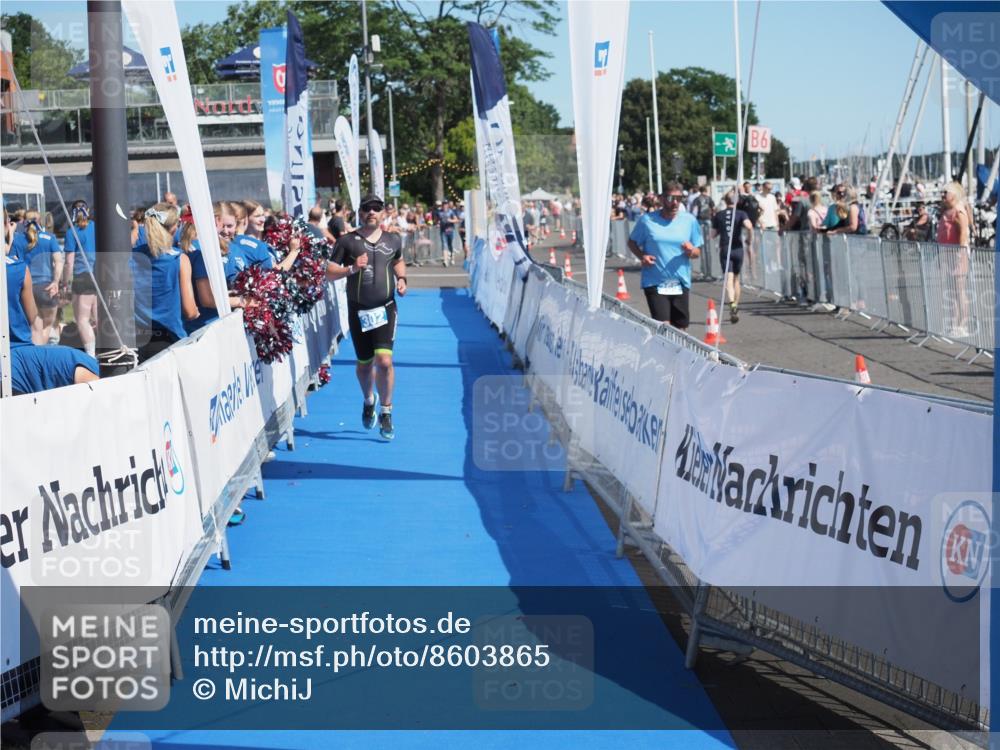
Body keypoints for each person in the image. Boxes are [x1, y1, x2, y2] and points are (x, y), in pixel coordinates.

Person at [326, 193, 407, 440]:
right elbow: (329, 271)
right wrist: (351, 268)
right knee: (364, 364)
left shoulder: (393, 239)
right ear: (360, 213)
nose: (372, 212)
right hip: (359, 310)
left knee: (384, 361)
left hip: (386, 308)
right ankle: (369, 400)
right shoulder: (347, 241)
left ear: (383, 213)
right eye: (367, 208)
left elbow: (398, 261)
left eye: (376, 208)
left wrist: (402, 278)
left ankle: (386, 411)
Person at [626, 182, 703, 331]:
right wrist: (642, 256)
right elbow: (632, 242)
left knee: (681, 329)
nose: (675, 203)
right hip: (655, 281)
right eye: (670, 198)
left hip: (680, 281)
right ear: (661, 199)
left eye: (678, 199)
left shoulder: (689, 221)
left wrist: (691, 251)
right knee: (664, 328)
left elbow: (697, 252)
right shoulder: (647, 220)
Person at [131, 203, 199, 361]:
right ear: (174, 228)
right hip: (169, 341)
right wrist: (197, 312)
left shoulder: (132, 256)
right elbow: (190, 311)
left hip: (136, 340)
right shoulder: (179, 259)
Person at [62, 200, 99, 358]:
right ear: (87, 210)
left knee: (82, 319)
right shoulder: (97, 227)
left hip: (83, 276)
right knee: (98, 318)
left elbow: (69, 262)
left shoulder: (72, 232)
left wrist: (65, 282)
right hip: (100, 274)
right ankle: (104, 352)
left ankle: (91, 356)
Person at [711, 191, 753, 324]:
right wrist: (749, 239)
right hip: (738, 248)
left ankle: (732, 304)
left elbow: (712, 235)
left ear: (725, 200)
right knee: (736, 279)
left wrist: (721, 230)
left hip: (725, 249)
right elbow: (749, 226)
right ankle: (735, 305)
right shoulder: (741, 213)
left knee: (728, 279)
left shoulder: (719, 215)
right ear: (737, 201)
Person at [23, 210, 64, 344]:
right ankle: (40, 352)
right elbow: (59, 261)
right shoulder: (49, 238)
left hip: (26, 288)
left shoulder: (20, 239)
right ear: (40, 220)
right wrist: (56, 282)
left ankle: (36, 351)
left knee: (34, 327)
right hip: (46, 286)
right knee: (46, 326)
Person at [937, 181, 971, 337]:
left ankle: (962, 325)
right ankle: (953, 324)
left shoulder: (958, 211)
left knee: (959, 291)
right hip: (947, 254)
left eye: (946, 192)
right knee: (951, 291)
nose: (943, 195)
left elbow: (963, 232)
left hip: (957, 254)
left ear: (954, 195)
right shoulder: (946, 212)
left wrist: (960, 253)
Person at [690, 186, 715, 280]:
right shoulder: (709, 198)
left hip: (700, 219)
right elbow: (713, 208)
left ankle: (703, 270)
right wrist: (712, 215)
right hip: (708, 219)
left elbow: (693, 209)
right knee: (708, 243)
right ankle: (708, 271)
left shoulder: (697, 199)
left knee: (701, 242)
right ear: (706, 191)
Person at [439, 200, 458, 266]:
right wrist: (438, 223)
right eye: (443, 204)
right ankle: (445, 260)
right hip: (443, 231)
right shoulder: (439, 212)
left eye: (446, 204)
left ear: (447, 205)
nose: (444, 205)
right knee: (444, 245)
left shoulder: (451, 212)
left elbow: (456, 220)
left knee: (450, 245)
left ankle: (452, 257)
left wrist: (450, 220)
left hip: (450, 231)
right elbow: (436, 220)